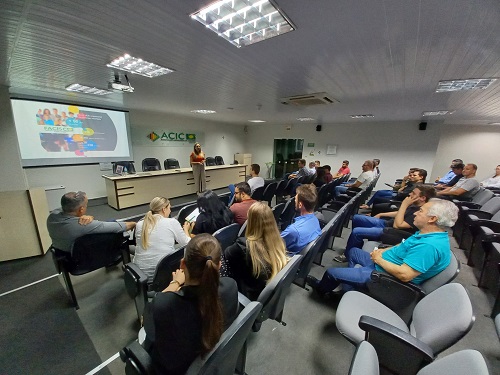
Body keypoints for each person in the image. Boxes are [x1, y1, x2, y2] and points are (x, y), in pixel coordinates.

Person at [307, 198, 458, 296]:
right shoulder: (427, 233)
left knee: (331, 272)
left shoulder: (429, 246)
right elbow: (404, 244)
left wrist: (379, 259)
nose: (416, 213)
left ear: (432, 219)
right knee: (353, 252)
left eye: (421, 211)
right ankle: (350, 288)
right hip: (383, 263)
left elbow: (405, 275)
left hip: (384, 276)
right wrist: (383, 251)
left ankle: (323, 292)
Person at [143, 234, 238, 375]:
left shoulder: (164, 304)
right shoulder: (230, 286)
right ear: (218, 265)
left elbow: (147, 323)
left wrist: (174, 283)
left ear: (182, 264)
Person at [334, 185, 437, 262]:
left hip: (394, 232)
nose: (410, 194)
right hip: (388, 224)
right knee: (357, 218)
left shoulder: (421, 213)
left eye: (414, 193)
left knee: (357, 232)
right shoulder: (415, 205)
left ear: (422, 198)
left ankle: (348, 255)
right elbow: (400, 213)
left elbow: (398, 225)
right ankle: (355, 245)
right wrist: (381, 214)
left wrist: (404, 205)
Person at [223, 202, 288, 300]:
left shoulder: (243, 245)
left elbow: (226, 254)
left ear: (251, 222)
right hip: (261, 290)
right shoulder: (278, 242)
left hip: (247, 294)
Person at [47, 191, 136, 252]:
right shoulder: (83, 225)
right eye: (86, 205)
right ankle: (114, 258)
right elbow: (121, 227)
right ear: (81, 209)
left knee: (111, 221)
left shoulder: (52, 216)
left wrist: (87, 216)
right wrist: (134, 224)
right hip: (83, 257)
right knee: (115, 229)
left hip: (62, 254)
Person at [132, 197, 191, 279]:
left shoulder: (140, 224)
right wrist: (186, 230)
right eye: (169, 208)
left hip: (139, 274)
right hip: (162, 273)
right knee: (183, 251)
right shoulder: (172, 222)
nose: (170, 211)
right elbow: (188, 243)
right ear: (164, 209)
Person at [281, 184, 322, 255]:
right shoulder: (315, 220)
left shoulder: (293, 230)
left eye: (295, 199)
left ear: (300, 205)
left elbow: (273, 245)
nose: (294, 201)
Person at [360, 168, 427, 209]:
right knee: (379, 193)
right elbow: (401, 189)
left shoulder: (416, 186)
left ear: (421, 177)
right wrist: (402, 187)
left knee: (378, 196)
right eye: (410, 175)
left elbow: (402, 193)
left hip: (398, 199)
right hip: (398, 195)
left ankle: (369, 208)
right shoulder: (413, 183)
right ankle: (369, 207)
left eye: (414, 175)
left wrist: (401, 189)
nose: (411, 176)